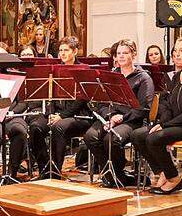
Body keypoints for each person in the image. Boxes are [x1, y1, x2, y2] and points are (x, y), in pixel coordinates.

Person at [132, 36, 182, 194]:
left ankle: (175, 179)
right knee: (137, 135)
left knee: (154, 138)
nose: (177, 54)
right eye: (175, 51)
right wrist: (161, 122)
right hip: (176, 124)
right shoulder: (176, 76)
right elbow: (168, 105)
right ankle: (163, 172)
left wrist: (165, 125)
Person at [83, 39, 155, 186]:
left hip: (132, 120)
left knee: (111, 139)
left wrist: (120, 118)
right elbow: (102, 102)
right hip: (110, 117)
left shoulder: (143, 78)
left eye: (125, 53)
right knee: (90, 136)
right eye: (118, 53)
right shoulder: (110, 75)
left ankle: (116, 174)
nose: (121, 56)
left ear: (133, 55)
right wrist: (109, 117)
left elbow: (144, 108)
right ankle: (113, 174)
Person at [28, 36, 91, 177]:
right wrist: (51, 114)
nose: (62, 53)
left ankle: (55, 170)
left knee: (59, 127)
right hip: (56, 113)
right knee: (35, 127)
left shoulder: (84, 69)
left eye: (66, 50)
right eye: (60, 50)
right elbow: (49, 96)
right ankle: (45, 167)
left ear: (75, 52)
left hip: (78, 116)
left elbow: (81, 100)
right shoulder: (54, 70)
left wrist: (61, 116)